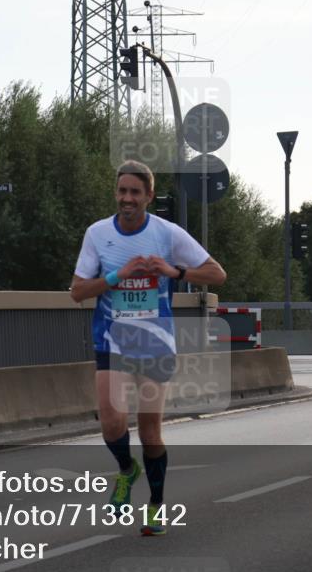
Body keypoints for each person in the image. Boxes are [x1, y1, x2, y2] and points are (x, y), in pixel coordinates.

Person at [70, 160, 226, 536]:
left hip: (155, 343)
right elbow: (77, 291)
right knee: (111, 423)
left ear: (149, 196)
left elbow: (217, 273)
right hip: (112, 339)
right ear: (116, 193)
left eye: (135, 192)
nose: (127, 198)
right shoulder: (98, 234)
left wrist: (176, 272)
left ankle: (156, 505)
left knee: (150, 432)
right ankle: (127, 470)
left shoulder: (167, 234)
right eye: (122, 191)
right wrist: (116, 276)